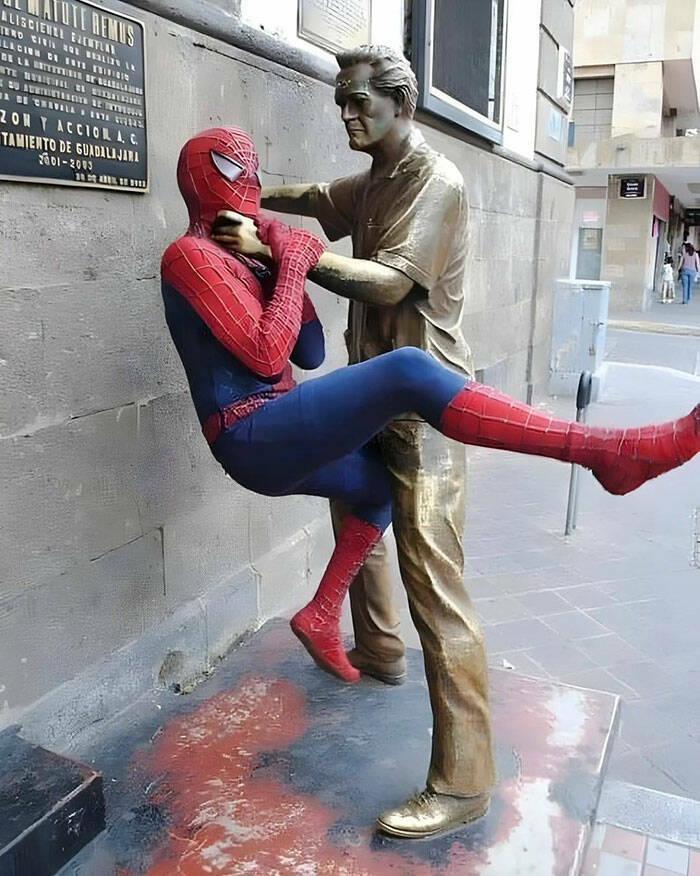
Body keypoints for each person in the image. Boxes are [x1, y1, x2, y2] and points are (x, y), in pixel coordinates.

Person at [162, 124, 700, 839]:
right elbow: (266, 357)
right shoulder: (189, 257)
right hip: (249, 430)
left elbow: (310, 349)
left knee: (378, 487)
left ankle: (323, 611)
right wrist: (292, 259)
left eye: (254, 172)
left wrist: (273, 257)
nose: (250, 185)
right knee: (410, 372)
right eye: (235, 172)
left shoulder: (243, 253)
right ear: (202, 179)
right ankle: (604, 450)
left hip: (279, 420)